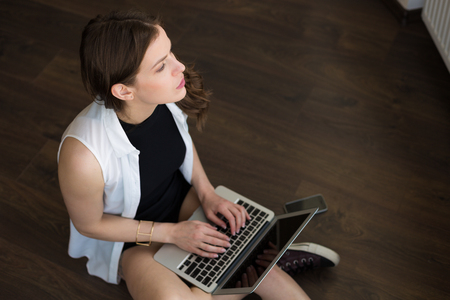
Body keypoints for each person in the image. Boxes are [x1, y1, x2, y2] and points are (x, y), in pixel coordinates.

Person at [57, 10, 338, 300]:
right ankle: (263, 260)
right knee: (233, 274)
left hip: (182, 205)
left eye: (170, 53)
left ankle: (260, 262)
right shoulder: (82, 157)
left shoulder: (163, 97)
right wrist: (172, 234)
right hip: (132, 241)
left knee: (255, 271)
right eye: (161, 66)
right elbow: (89, 224)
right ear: (124, 91)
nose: (180, 67)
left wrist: (207, 192)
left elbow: (183, 145)